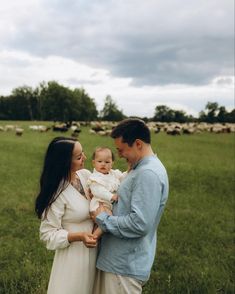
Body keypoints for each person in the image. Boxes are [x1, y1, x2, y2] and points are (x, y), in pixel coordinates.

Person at [92, 118, 169, 294]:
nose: (118, 155)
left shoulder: (147, 173)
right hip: (119, 262)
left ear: (138, 144)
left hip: (124, 265)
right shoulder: (139, 168)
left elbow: (139, 223)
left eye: (121, 150)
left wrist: (103, 219)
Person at [35, 137, 97, 294]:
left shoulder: (85, 176)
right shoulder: (56, 193)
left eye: (82, 153)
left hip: (95, 251)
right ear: (64, 162)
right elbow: (48, 234)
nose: (85, 158)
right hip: (73, 257)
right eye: (78, 157)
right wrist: (78, 236)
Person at [87, 147, 127, 237]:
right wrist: (111, 196)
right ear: (94, 163)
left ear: (112, 163)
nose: (103, 164)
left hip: (107, 204)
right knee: (108, 218)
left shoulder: (113, 173)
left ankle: (94, 234)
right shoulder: (95, 178)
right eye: (100, 161)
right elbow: (98, 191)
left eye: (107, 162)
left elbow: (123, 177)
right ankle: (94, 237)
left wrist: (129, 171)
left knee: (103, 221)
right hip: (98, 204)